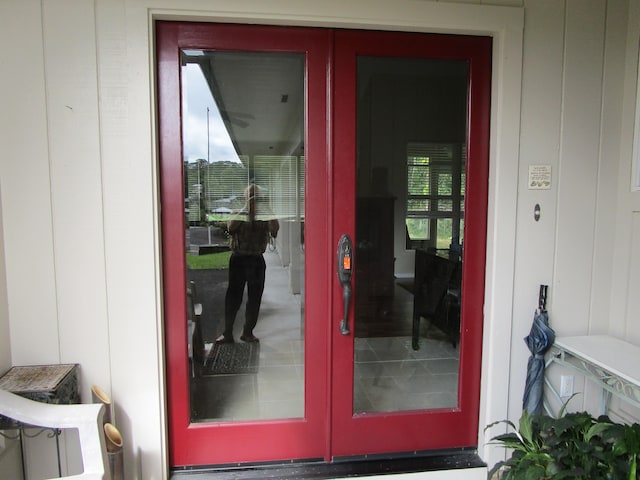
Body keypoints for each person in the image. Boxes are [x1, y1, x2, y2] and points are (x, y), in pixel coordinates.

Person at [216, 184, 279, 344]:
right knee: (233, 298)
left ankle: (248, 332)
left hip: (257, 260)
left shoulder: (264, 213)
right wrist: (246, 207)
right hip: (239, 259)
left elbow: (275, 230)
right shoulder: (238, 211)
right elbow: (230, 228)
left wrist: (267, 208)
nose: (254, 198)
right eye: (251, 195)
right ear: (245, 197)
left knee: (255, 298)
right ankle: (227, 333)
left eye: (256, 195)